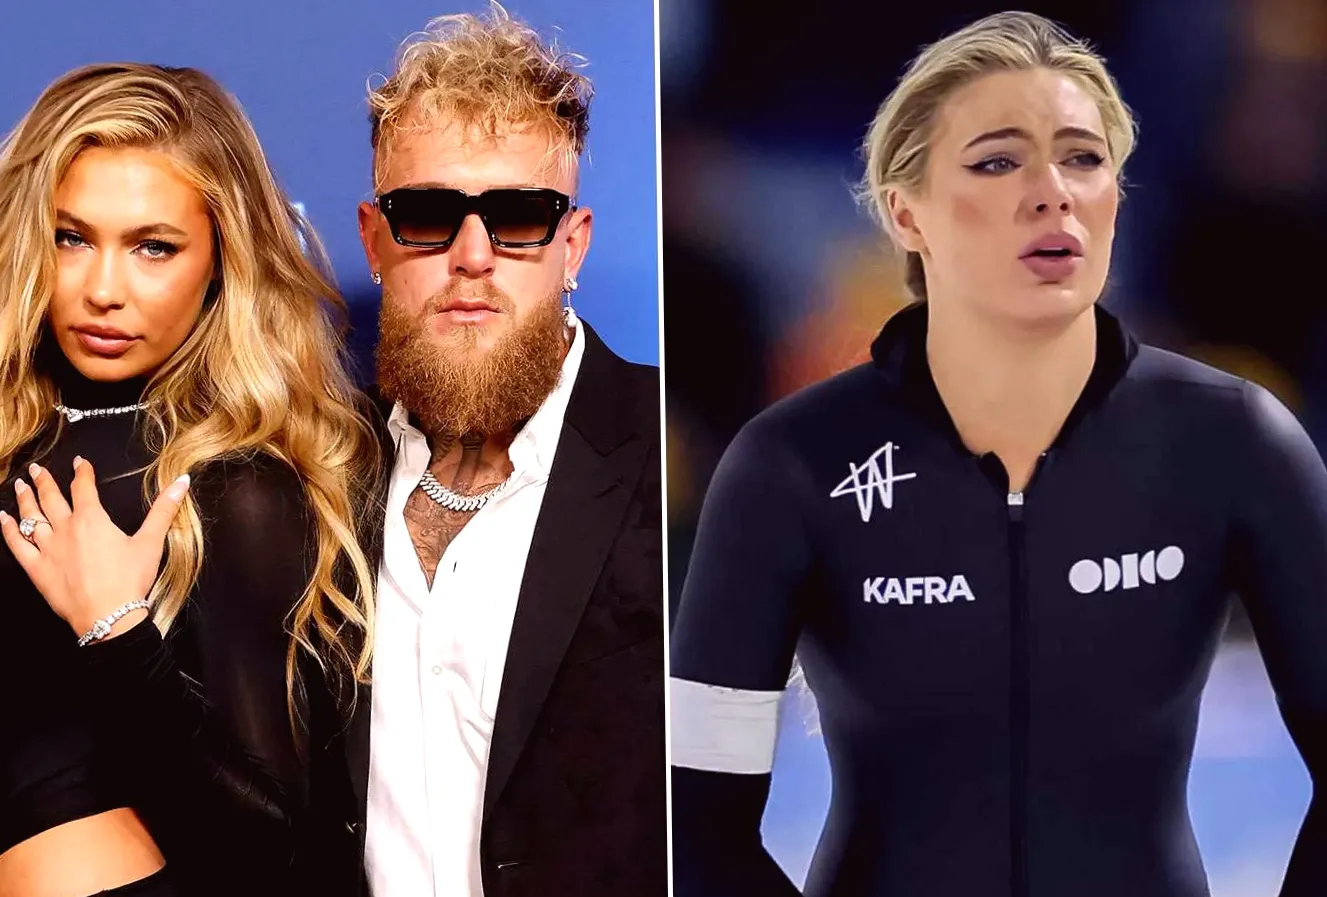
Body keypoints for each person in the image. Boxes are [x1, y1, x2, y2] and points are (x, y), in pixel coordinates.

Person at [669, 11, 1327, 897]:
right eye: (996, 160)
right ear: (906, 213)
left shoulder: (1233, 439)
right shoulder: (791, 463)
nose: (1051, 190)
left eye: (1083, 158)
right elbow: (690, 820)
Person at [0, 63, 378, 897]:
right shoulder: (16, 439)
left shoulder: (231, 481)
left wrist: (116, 632)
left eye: (153, 247)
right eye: (72, 237)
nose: (103, 289)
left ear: (221, 261)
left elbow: (267, 837)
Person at [343, 7, 665, 897]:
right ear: (374, 238)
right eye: (428, 215)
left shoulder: (683, 461)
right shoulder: (315, 473)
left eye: (520, 215)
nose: (473, 254)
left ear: (573, 244)